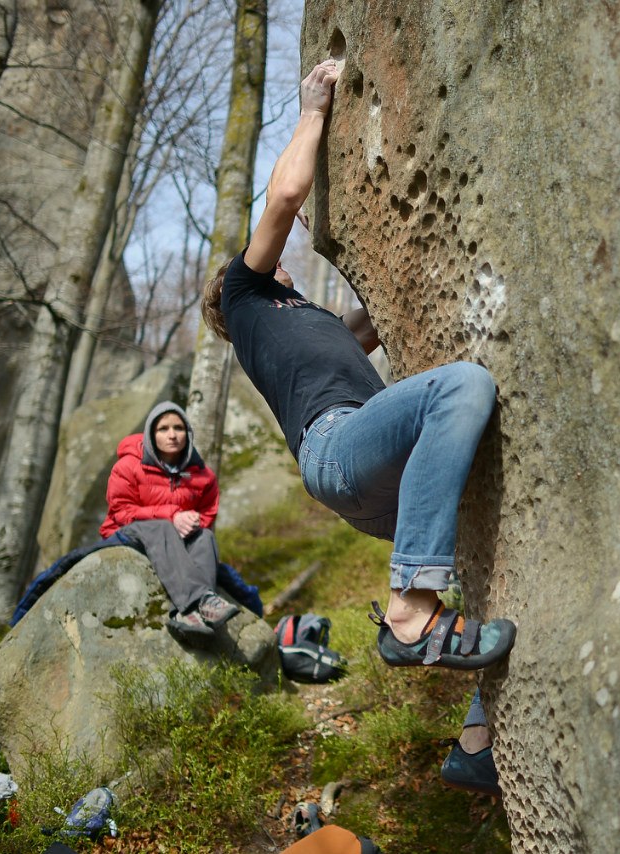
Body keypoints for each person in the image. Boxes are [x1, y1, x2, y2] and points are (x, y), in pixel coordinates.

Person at [199, 58, 515, 672]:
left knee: (488, 550)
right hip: (336, 447)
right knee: (461, 386)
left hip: (378, 484)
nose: (274, 250)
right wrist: (313, 112)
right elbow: (285, 196)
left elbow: (379, 314)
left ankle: (476, 742)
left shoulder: (312, 324)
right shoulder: (243, 297)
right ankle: (408, 616)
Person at [100, 401, 238, 641]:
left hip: (174, 539)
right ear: (151, 434)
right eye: (163, 429)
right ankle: (200, 599)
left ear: (188, 433)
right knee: (162, 527)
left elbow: (207, 514)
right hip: (129, 534)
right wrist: (171, 516)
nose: (172, 435)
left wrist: (193, 523)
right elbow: (120, 511)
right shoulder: (128, 466)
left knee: (205, 537)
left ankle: (190, 614)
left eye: (179, 428)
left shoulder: (203, 475)